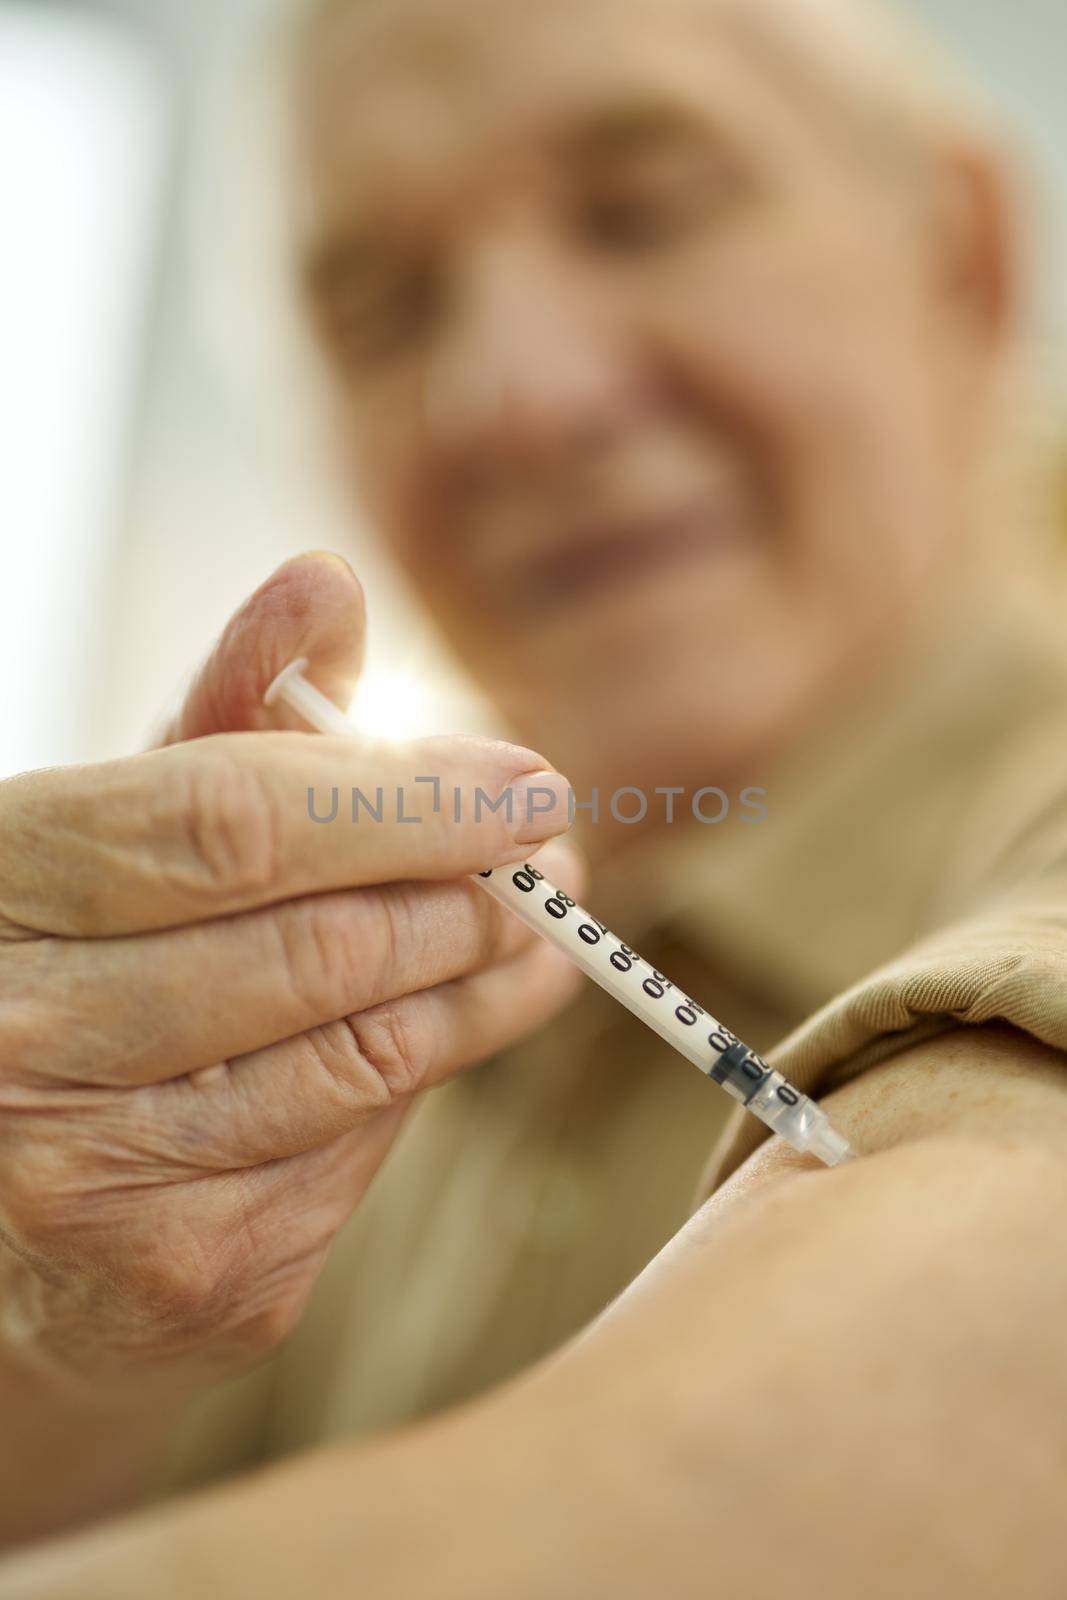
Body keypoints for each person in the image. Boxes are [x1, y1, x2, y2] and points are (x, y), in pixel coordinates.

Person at [3, 0, 1067, 1593]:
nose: (512, 393)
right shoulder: (354, 1022)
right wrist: (75, 1309)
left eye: (641, 211)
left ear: (965, 252)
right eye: (379, 310)